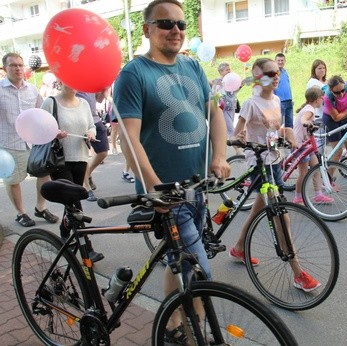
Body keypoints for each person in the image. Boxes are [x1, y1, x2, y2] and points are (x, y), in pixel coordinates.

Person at [113, 1, 229, 342]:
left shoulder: (193, 68)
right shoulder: (133, 74)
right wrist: (155, 186)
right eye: (165, 23)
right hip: (165, 192)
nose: (175, 30)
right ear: (147, 29)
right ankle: (196, 334)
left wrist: (219, 156)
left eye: (180, 24)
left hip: (196, 186)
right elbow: (128, 139)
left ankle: (171, 323)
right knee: (200, 271)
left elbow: (215, 114)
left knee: (176, 259)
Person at [230, 57, 321, 292]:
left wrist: (288, 133)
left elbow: (276, 128)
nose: (275, 74)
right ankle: (298, 273)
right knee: (281, 215)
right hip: (259, 163)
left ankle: (239, 248)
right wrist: (240, 139)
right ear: (258, 76)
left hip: (274, 160)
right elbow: (238, 132)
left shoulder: (278, 99)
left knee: (260, 206)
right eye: (269, 72)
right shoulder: (251, 103)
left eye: (277, 71)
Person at [41, 81, 104, 263]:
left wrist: (91, 134)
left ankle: (64, 228)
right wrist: (55, 133)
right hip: (60, 159)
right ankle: (88, 248)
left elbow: (91, 125)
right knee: (76, 202)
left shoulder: (83, 103)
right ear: (60, 82)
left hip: (80, 157)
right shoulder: (51, 103)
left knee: (72, 203)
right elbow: (42, 129)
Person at [0, 52, 59, 227]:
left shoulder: (32, 89)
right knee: (13, 180)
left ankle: (40, 208)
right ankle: (21, 213)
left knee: (44, 174)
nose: (18, 68)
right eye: (13, 65)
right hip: (10, 143)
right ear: (5, 68)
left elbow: (41, 114)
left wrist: (54, 130)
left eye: (20, 64)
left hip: (34, 143)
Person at [292, 86, 333, 205]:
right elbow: (304, 119)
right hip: (300, 145)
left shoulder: (309, 107)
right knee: (303, 172)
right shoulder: (310, 109)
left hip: (307, 144)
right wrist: (306, 123)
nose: (323, 100)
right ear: (316, 99)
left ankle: (318, 194)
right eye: (322, 98)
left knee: (316, 168)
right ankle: (298, 197)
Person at [77, 90, 110, 202]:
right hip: (80, 122)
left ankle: (87, 174)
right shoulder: (74, 81)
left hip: (95, 120)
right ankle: (86, 187)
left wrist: (104, 89)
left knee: (103, 151)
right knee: (84, 156)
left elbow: (99, 99)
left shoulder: (92, 82)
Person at [210, 62, 243, 155]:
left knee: (226, 130)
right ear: (221, 71)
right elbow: (214, 95)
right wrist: (219, 104)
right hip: (223, 109)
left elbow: (234, 91)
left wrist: (240, 86)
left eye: (229, 69)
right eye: (227, 70)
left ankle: (220, 150)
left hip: (231, 108)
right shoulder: (218, 82)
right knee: (231, 129)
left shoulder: (231, 80)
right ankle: (238, 150)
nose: (229, 71)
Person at [273, 52, 294, 128]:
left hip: (289, 101)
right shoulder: (273, 73)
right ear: (275, 61)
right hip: (280, 101)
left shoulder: (285, 72)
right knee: (278, 124)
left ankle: (289, 139)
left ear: (285, 61)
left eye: (282, 60)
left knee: (290, 124)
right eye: (278, 60)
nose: (280, 62)